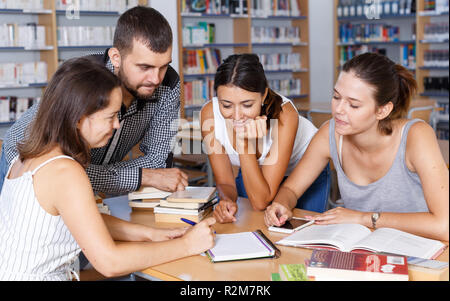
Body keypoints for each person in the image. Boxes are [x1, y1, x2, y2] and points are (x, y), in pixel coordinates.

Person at [0, 58, 215, 281]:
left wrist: (152, 234)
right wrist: (186, 245)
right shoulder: (65, 172)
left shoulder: (32, 156)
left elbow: (86, 220)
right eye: (111, 116)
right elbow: (110, 262)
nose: (117, 125)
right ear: (78, 118)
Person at [0, 6, 187, 195]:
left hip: (80, 179)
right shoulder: (81, 78)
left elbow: (156, 162)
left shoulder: (169, 84)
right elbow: (49, 167)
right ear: (116, 57)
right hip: (25, 171)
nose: (156, 79)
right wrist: (142, 176)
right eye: (144, 67)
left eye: (163, 66)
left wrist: (102, 175)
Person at [264, 52, 449, 241]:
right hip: (363, 248)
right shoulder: (331, 133)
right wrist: (281, 204)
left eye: (353, 105)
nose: (338, 110)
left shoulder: (416, 136)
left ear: (382, 110)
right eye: (336, 97)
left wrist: (361, 218)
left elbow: (445, 226)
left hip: (422, 251)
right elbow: (291, 190)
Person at [200, 54, 330, 224]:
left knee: (298, 237)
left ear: (263, 96)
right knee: (250, 228)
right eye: (226, 105)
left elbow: (260, 201)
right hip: (254, 171)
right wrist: (227, 201)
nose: (237, 116)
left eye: (247, 105)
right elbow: (225, 182)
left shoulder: (285, 116)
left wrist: (243, 143)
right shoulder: (209, 114)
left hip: (304, 173)